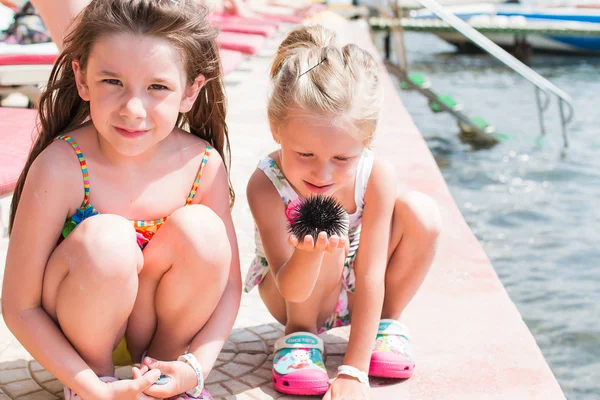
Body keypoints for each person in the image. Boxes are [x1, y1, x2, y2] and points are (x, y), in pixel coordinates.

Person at [1, 1, 241, 399]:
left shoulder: (202, 164)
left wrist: (194, 368)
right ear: (82, 78)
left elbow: (230, 285)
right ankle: (100, 380)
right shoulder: (61, 166)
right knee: (107, 240)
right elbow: (19, 308)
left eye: (158, 87)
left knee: (204, 233)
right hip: (81, 337)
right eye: (112, 82)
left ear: (190, 91)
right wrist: (92, 386)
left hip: (161, 332)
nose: (133, 109)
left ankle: (161, 379)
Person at [244, 24, 441, 399]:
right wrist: (309, 251)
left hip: (354, 284)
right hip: (290, 293)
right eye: (305, 155)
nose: (323, 173)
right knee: (325, 234)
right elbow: (287, 283)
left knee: (422, 213)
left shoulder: (376, 174)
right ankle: (299, 338)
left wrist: (354, 369)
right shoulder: (265, 184)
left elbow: (370, 272)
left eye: (341, 157)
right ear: (276, 128)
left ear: (366, 141)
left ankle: (385, 324)